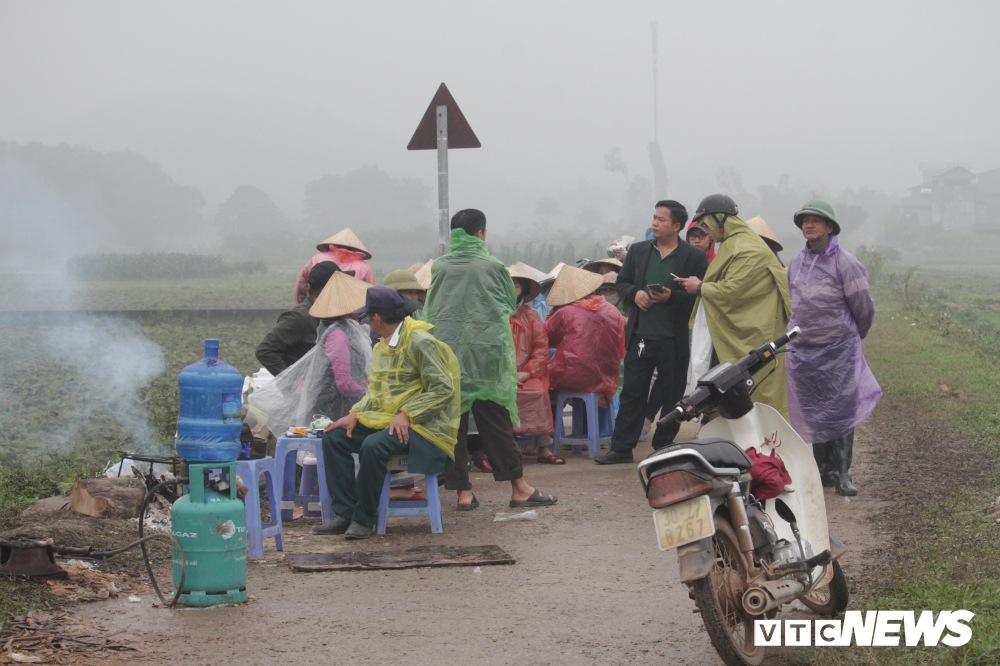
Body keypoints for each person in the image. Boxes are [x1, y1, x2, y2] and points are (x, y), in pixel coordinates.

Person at [423, 209, 557, 510]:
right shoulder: (494, 266)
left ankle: (463, 494)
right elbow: (510, 304)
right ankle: (518, 488)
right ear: (481, 233)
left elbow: (431, 308)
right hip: (485, 359)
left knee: (451, 425)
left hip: (447, 358)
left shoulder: (440, 266)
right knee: (496, 423)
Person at [313, 287, 461, 539]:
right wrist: (356, 413)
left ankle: (363, 519)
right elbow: (377, 390)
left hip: (425, 427)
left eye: (366, 316)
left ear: (377, 318)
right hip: (391, 421)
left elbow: (443, 389)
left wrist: (408, 414)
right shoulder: (383, 346)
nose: (365, 321)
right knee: (334, 437)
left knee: (373, 445)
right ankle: (345, 513)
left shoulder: (420, 342)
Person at [597, 200, 708, 464]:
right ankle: (621, 448)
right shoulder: (638, 251)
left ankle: (664, 447)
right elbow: (622, 283)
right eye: (654, 218)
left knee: (671, 395)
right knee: (632, 393)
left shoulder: (694, 257)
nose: (655, 223)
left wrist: (671, 297)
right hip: (639, 336)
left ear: (677, 226)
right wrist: (635, 294)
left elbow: (699, 298)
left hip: (674, 338)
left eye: (662, 219)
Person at [786, 200, 882, 497]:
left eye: (816, 220)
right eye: (805, 220)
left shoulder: (846, 262)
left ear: (829, 227)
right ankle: (822, 471)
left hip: (838, 350)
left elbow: (863, 308)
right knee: (814, 411)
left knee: (840, 410)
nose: (809, 225)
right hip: (803, 351)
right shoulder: (796, 263)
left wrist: (851, 338)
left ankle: (842, 472)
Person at [675, 194, 792, 419]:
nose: (705, 232)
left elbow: (731, 291)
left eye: (706, 224)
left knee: (751, 395)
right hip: (736, 331)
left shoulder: (746, 247)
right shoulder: (733, 244)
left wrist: (699, 287)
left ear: (720, 219)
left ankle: (757, 449)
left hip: (750, 335)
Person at [248, 271, 372, 438]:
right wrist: (368, 392)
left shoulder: (337, 326)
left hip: (327, 399)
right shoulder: (332, 332)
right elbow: (344, 382)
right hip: (329, 404)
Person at [545, 264, 626, 406]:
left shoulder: (565, 312)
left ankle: (556, 426)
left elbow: (547, 338)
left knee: (544, 384)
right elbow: (620, 347)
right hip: (607, 377)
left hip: (573, 378)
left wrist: (554, 311)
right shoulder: (613, 311)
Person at [507, 264, 560, 464]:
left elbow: (541, 349)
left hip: (528, 375)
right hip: (497, 376)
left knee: (538, 394)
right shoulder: (490, 317)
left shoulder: (530, 315)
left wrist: (527, 373)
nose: (511, 290)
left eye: (516, 286)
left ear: (524, 290)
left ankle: (543, 448)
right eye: (506, 285)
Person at [256, 261, 343, 376]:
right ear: (328, 289)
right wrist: (292, 382)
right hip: (303, 391)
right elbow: (265, 351)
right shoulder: (299, 317)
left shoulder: (332, 313)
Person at [294, 228, 375, 303]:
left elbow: (302, 284)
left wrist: (304, 305)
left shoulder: (317, 258)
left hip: (318, 306)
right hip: (350, 311)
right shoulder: (364, 267)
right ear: (356, 248)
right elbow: (369, 294)